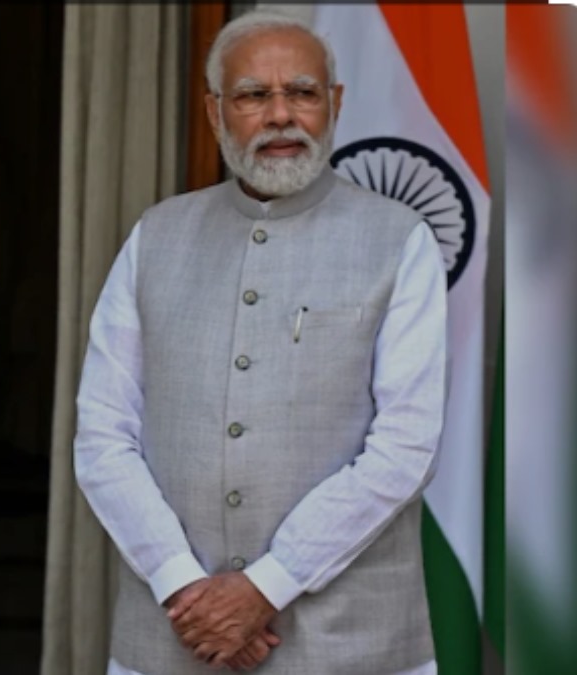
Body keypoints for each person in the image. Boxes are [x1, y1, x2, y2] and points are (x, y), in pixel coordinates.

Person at [74, 10, 447, 674]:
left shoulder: (399, 238)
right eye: (253, 95)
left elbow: (405, 447)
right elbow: (103, 434)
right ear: (217, 113)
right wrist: (186, 585)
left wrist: (264, 587)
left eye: (301, 93)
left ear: (333, 105)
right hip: (173, 632)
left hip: (350, 640)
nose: (280, 115)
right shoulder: (155, 236)